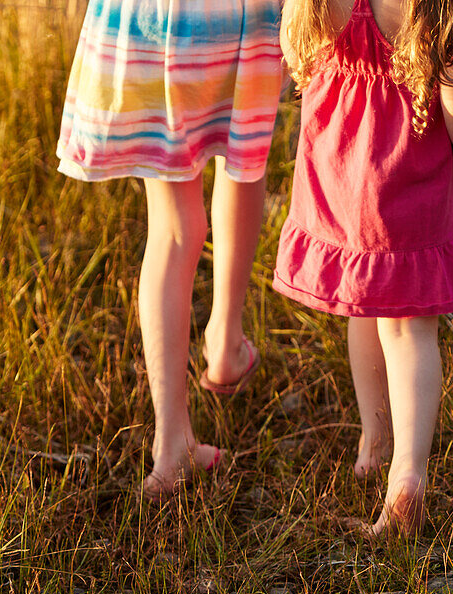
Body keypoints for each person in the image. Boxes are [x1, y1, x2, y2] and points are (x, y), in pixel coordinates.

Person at [273, 0, 453, 536]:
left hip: (342, 176)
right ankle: (406, 477)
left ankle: (374, 442)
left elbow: (295, 52)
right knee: (408, 329)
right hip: (408, 183)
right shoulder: (442, 5)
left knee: (365, 303)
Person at [57, 0, 284, 499]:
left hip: (152, 21)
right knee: (243, 155)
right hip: (241, 18)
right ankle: (224, 343)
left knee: (173, 228)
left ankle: (172, 445)